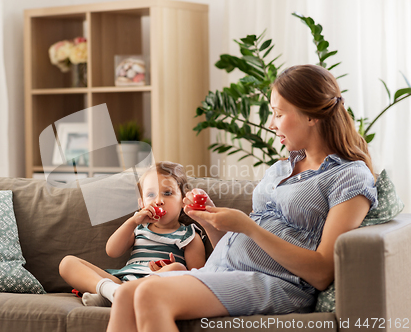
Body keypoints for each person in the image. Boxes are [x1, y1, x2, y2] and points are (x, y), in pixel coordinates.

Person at [106, 64, 378, 332]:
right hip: (224, 270)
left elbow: (321, 273)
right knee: (128, 294)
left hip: (277, 282)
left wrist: (247, 226)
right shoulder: (281, 168)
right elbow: (240, 244)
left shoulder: (349, 176)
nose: (270, 124)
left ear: (312, 116)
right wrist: (213, 221)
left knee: (149, 294)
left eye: (278, 114)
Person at [59, 161, 205, 306]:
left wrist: (169, 272)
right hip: (121, 282)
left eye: (167, 193)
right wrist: (132, 222)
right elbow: (112, 251)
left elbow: (198, 280)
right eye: (151, 194)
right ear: (141, 203)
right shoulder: (139, 228)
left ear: (183, 200)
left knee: (177, 268)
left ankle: (116, 297)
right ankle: (112, 292)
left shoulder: (189, 236)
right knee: (67, 263)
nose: (159, 200)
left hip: (154, 286)